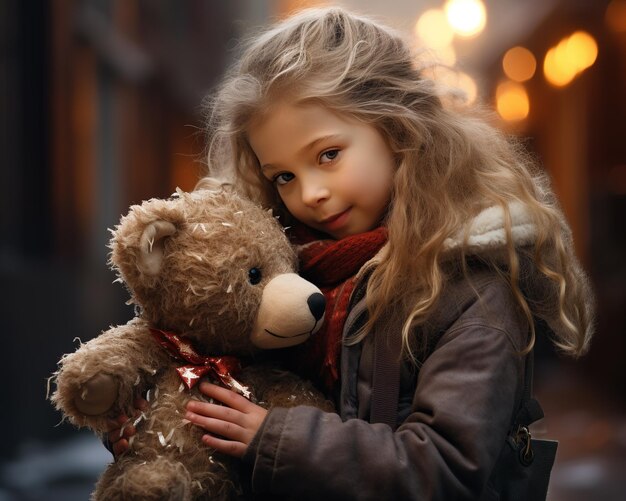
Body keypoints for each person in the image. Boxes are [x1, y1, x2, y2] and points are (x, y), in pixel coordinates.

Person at [108, 7, 594, 499]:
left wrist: (273, 437)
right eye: (284, 176)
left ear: (397, 129)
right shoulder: (281, 280)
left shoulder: (471, 287)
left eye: (328, 155)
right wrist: (166, 432)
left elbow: (446, 468)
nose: (310, 193)